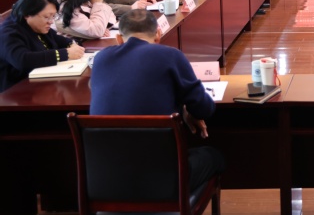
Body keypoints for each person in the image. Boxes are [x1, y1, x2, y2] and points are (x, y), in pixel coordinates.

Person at [90, 10, 225, 191]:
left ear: (119, 39)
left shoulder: (100, 59)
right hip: (162, 181)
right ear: (158, 34)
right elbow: (204, 109)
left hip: (105, 181)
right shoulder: (170, 55)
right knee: (213, 156)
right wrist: (186, 109)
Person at [0, 0, 84, 92]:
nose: (51, 21)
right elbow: (22, 60)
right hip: (16, 92)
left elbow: (59, 40)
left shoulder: (37, 26)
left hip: (41, 84)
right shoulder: (8, 33)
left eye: (53, 16)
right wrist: (64, 54)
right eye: (46, 17)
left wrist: (72, 44)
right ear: (27, 14)